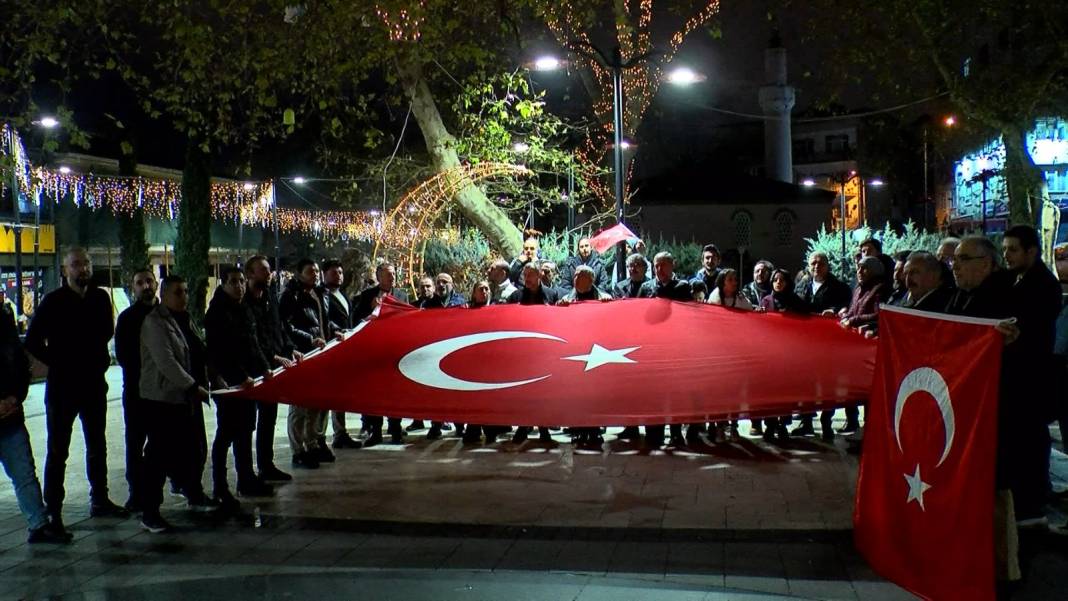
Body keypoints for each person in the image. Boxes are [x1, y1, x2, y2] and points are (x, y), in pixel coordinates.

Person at [23, 247, 125, 530]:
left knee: (97, 444)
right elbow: (31, 341)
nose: (83, 269)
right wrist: (57, 363)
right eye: (76, 264)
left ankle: (100, 498)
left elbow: (106, 332)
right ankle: (53, 509)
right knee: (58, 449)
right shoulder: (53, 302)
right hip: (63, 388)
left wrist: (96, 360)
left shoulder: (100, 298)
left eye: (87, 264)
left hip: (92, 384)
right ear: (65, 270)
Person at [139, 275, 220, 533]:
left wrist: (209, 377)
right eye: (177, 292)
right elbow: (166, 362)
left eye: (185, 291)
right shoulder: (155, 322)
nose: (183, 296)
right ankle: (149, 511)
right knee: (158, 455)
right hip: (163, 398)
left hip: (186, 398)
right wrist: (191, 386)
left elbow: (198, 351)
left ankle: (194, 493)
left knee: (193, 449)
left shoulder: (184, 319)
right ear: (164, 294)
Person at [999, 226, 1061, 526]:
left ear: (1031, 252)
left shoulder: (1044, 285)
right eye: (1005, 249)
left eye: (1012, 249)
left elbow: (1034, 326)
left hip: (1033, 375)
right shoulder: (1015, 279)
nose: (1006, 256)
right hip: (1017, 375)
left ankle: (1034, 501)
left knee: (1032, 438)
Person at [1, 294, 72, 543]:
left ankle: (39, 525)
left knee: (24, 473)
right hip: (7, 411)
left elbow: (19, 363)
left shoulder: (4, 319)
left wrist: (16, 396)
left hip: (9, 414)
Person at [205, 267, 275, 510]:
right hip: (230, 383)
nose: (240, 286)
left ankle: (246, 478)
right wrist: (240, 375)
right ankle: (220, 486)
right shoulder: (217, 312)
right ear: (223, 284)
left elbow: (252, 343)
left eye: (242, 282)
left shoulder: (243, 308)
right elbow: (221, 351)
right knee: (226, 433)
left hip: (248, 381)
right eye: (234, 282)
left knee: (245, 430)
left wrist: (264, 368)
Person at [243, 256, 298, 483]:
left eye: (268, 270)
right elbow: (251, 339)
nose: (268, 274)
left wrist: (289, 349)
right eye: (263, 270)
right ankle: (247, 473)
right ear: (250, 274)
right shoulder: (244, 303)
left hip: (272, 368)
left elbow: (279, 328)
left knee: (268, 419)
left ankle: (266, 464)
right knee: (246, 424)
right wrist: (271, 356)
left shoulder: (269, 298)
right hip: (253, 369)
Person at [279, 258, 336, 468]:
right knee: (300, 406)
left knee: (316, 404)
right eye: (310, 271)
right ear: (298, 273)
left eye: (316, 271)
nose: (315, 275)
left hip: (320, 353)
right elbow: (286, 326)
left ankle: (312, 443)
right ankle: (298, 450)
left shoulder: (319, 293)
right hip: (302, 354)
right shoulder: (290, 295)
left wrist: (334, 330)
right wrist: (309, 339)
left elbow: (321, 319)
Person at [792, 252, 851, 438]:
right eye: (813, 263)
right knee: (806, 384)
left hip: (828, 345)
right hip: (805, 345)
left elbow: (846, 307)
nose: (816, 266)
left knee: (828, 385)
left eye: (821, 263)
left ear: (827, 265)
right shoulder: (801, 285)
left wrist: (834, 311)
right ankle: (807, 421)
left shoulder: (840, 287)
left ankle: (827, 422)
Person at [114, 268, 159, 513]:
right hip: (136, 391)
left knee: (160, 442)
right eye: (140, 282)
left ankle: (157, 488)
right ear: (133, 287)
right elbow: (123, 355)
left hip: (163, 392)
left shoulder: (166, 314)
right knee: (135, 442)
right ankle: (136, 492)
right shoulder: (128, 318)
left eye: (148, 281)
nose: (145, 286)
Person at [637, 252, 693, 446]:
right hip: (652, 349)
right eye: (656, 265)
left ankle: (676, 432)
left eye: (663, 265)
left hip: (675, 348)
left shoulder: (683, 287)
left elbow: (690, 315)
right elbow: (636, 314)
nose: (659, 269)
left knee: (675, 392)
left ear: (672, 265)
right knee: (652, 393)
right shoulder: (646, 288)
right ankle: (654, 432)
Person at [352, 262, 410, 444]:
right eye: (387, 274)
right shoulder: (367, 295)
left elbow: (409, 320)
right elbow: (355, 320)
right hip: (374, 352)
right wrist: (370, 309)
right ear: (378, 277)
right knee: (374, 393)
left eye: (393, 273)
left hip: (394, 351)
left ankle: (395, 428)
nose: (392, 277)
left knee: (395, 393)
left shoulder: (402, 295)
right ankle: (375, 431)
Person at [507, 262, 560, 443]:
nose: (527, 279)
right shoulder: (515, 297)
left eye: (531, 275)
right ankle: (523, 426)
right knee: (524, 392)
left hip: (545, 351)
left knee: (542, 392)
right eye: (525, 275)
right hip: (523, 352)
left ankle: (543, 428)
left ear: (539, 276)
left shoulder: (553, 295)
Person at [319, 259, 360, 450]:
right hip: (329, 348)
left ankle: (340, 432)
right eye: (334, 273)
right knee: (327, 396)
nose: (339, 276)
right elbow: (324, 321)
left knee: (341, 395)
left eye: (341, 272)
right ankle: (319, 436)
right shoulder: (322, 296)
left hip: (344, 349)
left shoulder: (343, 295)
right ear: (324, 274)